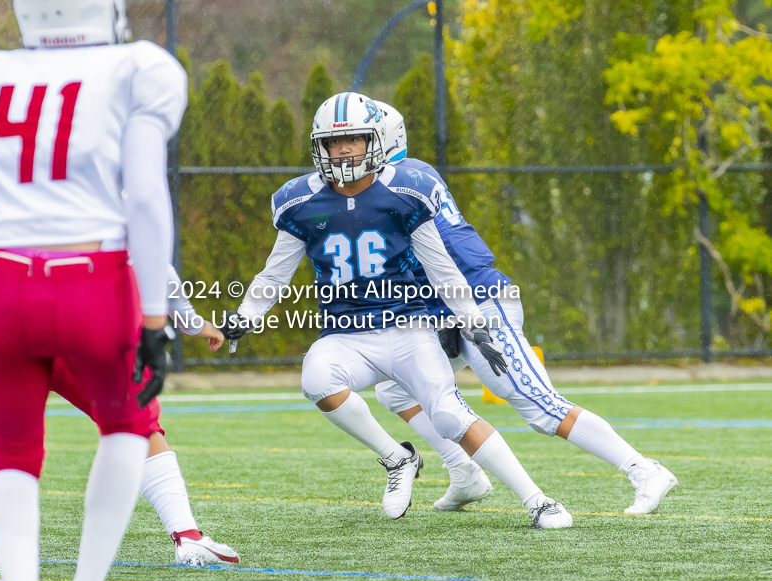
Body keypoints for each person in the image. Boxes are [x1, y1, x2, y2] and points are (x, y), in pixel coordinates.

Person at [0, 0, 185, 581]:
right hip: (91, 278)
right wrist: (155, 314)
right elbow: (145, 195)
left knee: (10, 450)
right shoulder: (138, 68)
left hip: (2, 284)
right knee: (128, 426)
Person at [223, 92, 572, 529]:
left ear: (375, 141)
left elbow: (442, 270)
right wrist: (245, 316)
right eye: (333, 143)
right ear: (319, 147)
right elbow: (274, 274)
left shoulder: (406, 191)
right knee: (316, 378)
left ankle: (538, 500)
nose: (343, 150)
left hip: (408, 327)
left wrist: (474, 322)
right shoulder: (299, 201)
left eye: (352, 140)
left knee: (449, 414)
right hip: (345, 332)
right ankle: (397, 458)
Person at [373, 100, 679, 515]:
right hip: (441, 310)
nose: (346, 152)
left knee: (537, 405)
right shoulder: (403, 178)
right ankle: (463, 472)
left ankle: (644, 470)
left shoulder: (402, 181)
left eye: (356, 140)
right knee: (394, 387)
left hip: (479, 304)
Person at [0, 191, 239, 567]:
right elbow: (155, 265)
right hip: (89, 322)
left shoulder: (2, 184)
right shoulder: (103, 179)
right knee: (138, 428)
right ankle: (186, 535)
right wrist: (190, 323)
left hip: (13, 322)